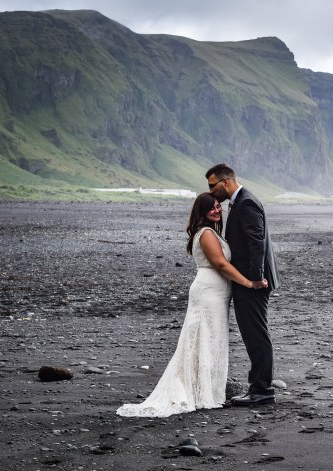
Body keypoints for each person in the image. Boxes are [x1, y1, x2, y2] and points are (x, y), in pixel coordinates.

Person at [117, 193, 263, 417]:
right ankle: (200, 392)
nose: (216, 210)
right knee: (203, 339)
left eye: (218, 207)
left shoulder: (213, 232)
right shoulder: (206, 233)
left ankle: (209, 392)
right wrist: (248, 283)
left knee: (212, 339)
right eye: (211, 208)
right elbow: (220, 264)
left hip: (217, 294)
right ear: (201, 212)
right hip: (208, 293)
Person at [206, 163, 280, 406]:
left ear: (226, 182)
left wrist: (256, 278)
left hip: (253, 282)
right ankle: (258, 387)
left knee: (256, 334)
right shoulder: (240, 201)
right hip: (250, 280)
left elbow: (256, 242)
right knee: (253, 334)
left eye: (212, 185)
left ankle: (262, 390)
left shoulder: (246, 202)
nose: (210, 190)